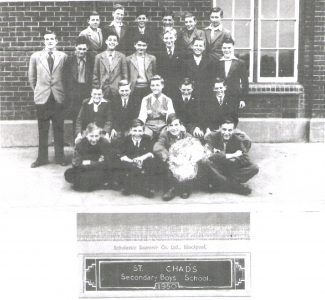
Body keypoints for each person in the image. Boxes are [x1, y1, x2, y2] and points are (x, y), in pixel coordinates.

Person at [28, 30, 68, 168]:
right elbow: (32, 78)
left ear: (57, 41)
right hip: (42, 97)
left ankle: (60, 157)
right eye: (47, 39)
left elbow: (66, 76)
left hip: (57, 96)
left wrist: (62, 92)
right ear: (43, 41)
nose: (50, 41)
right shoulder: (35, 56)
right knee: (42, 129)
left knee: (59, 128)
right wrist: (38, 91)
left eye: (52, 39)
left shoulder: (63, 56)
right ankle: (42, 158)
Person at [200, 117, 259, 195]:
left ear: (234, 130)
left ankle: (222, 184)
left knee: (254, 168)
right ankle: (235, 187)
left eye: (230, 130)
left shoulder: (237, 139)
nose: (226, 133)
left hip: (230, 169)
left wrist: (230, 159)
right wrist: (232, 155)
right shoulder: (211, 136)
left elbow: (246, 159)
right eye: (224, 129)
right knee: (205, 162)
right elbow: (209, 155)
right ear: (219, 128)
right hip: (217, 169)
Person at [153, 114, 202, 201]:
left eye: (176, 125)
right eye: (171, 125)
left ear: (181, 126)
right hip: (172, 162)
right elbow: (157, 146)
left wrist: (188, 157)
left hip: (185, 162)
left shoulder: (186, 135)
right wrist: (170, 157)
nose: (174, 128)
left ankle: (185, 188)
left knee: (190, 166)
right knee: (166, 164)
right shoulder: (164, 135)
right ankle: (171, 189)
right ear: (167, 127)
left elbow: (196, 146)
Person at [64, 123, 114, 191]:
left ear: (100, 135)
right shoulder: (80, 144)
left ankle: (91, 183)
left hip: (99, 170)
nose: (94, 139)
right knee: (69, 173)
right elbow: (76, 164)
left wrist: (88, 162)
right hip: (86, 170)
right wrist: (96, 162)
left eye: (96, 136)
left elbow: (108, 162)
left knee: (112, 171)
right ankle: (96, 183)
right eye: (91, 136)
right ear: (87, 135)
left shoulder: (104, 142)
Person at [117, 119, 156, 198]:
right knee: (123, 164)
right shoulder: (126, 140)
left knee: (151, 162)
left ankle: (145, 187)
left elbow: (150, 152)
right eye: (134, 130)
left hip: (143, 162)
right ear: (130, 130)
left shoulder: (147, 138)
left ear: (143, 131)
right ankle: (130, 186)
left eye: (140, 131)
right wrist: (131, 161)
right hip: (130, 162)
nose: (137, 133)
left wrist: (141, 158)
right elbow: (121, 154)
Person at [66, 36, 95, 136]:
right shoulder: (69, 61)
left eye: (84, 49)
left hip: (87, 91)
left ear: (87, 49)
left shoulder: (92, 60)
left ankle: (88, 138)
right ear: (75, 48)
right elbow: (65, 79)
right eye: (79, 49)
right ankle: (77, 140)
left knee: (88, 116)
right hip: (74, 93)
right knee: (76, 116)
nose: (81, 51)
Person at [138, 75, 175, 139]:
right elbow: (142, 116)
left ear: (162, 86)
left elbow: (171, 117)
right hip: (149, 127)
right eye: (153, 85)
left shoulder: (168, 100)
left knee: (166, 135)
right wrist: (140, 126)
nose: (155, 88)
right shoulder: (146, 99)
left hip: (163, 127)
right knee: (146, 136)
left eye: (157, 85)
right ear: (150, 86)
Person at [92, 31, 127, 99]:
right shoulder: (99, 57)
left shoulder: (122, 56)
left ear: (117, 43)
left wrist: (122, 89)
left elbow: (125, 76)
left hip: (117, 90)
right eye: (110, 40)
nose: (112, 42)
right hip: (103, 90)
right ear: (106, 41)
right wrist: (98, 89)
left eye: (114, 40)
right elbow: (95, 75)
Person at [126, 36, 156, 114]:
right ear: (135, 45)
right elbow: (127, 75)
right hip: (135, 88)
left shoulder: (152, 58)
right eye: (139, 45)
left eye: (143, 45)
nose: (141, 47)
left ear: (146, 46)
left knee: (148, 109)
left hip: (148, 87)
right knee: (136, 109)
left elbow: (154, 73)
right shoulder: (129, 59)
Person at [216, 37, 249, 108]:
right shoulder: (217, 63)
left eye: (229, 48)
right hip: (220, 97)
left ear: (233, 48)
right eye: (224, 48)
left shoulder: (240, 63)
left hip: (234, 97)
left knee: (233, 118)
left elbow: (245, 83)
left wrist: (243, 99)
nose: (227, 50)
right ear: (222, 49)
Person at [156, 30, 183, 99]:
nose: (169, 40)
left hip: (177, 84)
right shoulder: (159, 52)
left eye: (171, 38)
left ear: (175, 38)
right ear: (163, 39)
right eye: (166, 38)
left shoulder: (181, 51)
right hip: (165, 85)